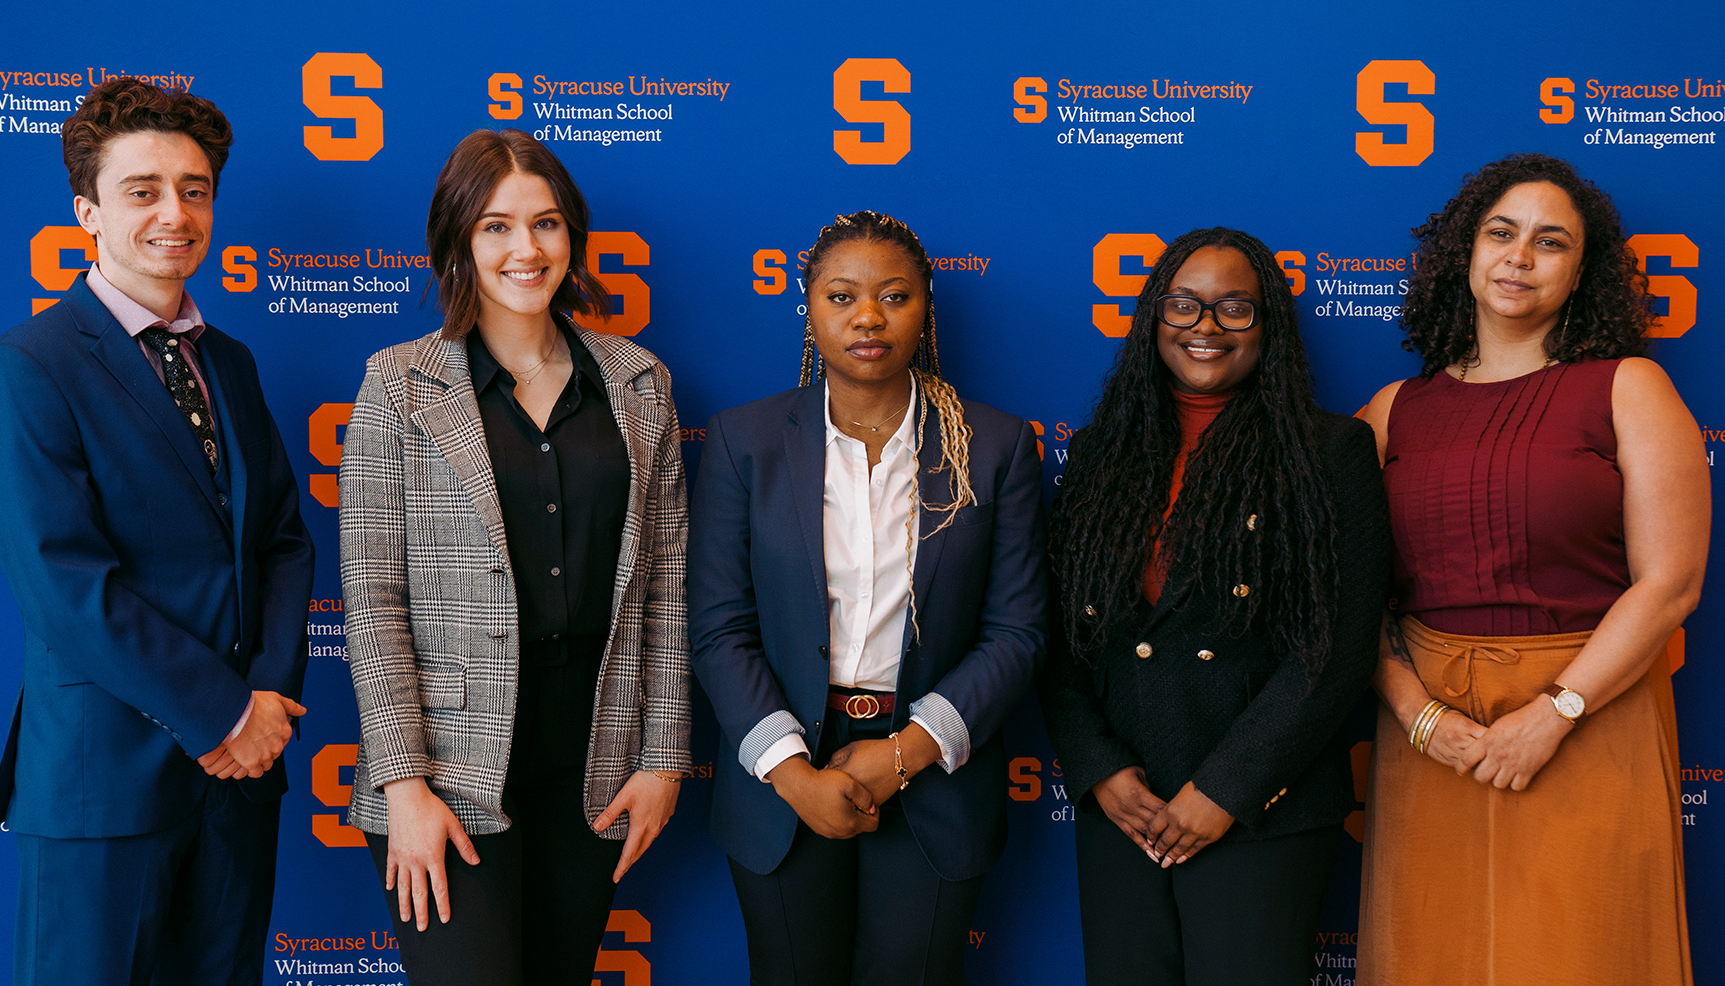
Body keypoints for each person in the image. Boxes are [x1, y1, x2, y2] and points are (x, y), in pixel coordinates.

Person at [0, 77, 315, 985]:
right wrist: (220, 713)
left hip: (241, 783)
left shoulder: (229, 363)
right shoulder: (28, 366)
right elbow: (65, 586)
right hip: (103, 787)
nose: (176, 212)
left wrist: (267, 706)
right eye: (143, 190)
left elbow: (282, 540)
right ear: (86, 211)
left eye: (195, 189)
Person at [339, 129, 689, 986]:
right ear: (458, 239)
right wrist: (403, 786)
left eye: (546, 224)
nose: (525, 249)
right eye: (496, 227)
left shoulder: (639, 381)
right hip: (447, 771)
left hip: (595, 763)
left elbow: (669, 587)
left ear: (573, 236)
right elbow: (373, 595)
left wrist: (664, 757)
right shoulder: (398, 382)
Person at [1357, 154, 1706, 986]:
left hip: (1590, 720)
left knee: (1587, 955)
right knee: (1427, 958)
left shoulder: (1629, 388)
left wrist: (1556, 713)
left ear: (1582, 272)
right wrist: (1420, 717)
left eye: (1551, 241)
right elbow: (1346, 598)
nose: (1520, 256)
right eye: (1501, 233)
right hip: (1431, 734)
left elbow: (1671, 584)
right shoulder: (1391, 410)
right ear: (1464, 255)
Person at [689, 210, 1047, 985]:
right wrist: (793, 774)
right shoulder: (742, 442)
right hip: (780, 784)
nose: (869, 318)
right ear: (809, 311)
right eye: (841, 296)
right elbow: (719, 629)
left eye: (895, 295)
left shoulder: (994, 445)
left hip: (935, 780)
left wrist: (904, 754)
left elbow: (1017, 632)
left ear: (925, 308)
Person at [1041, 228, 1390, 985]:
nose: (1205, 326)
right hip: (1124, 812)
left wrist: (1224, 791)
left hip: (1263, 809)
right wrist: (1101, 773)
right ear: (1153, 317)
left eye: (1236, 308)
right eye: (1184, 305)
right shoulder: (1100, 451)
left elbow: (1334, 651)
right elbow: (1062, 640)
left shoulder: (1331, 451)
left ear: (1270, 328)